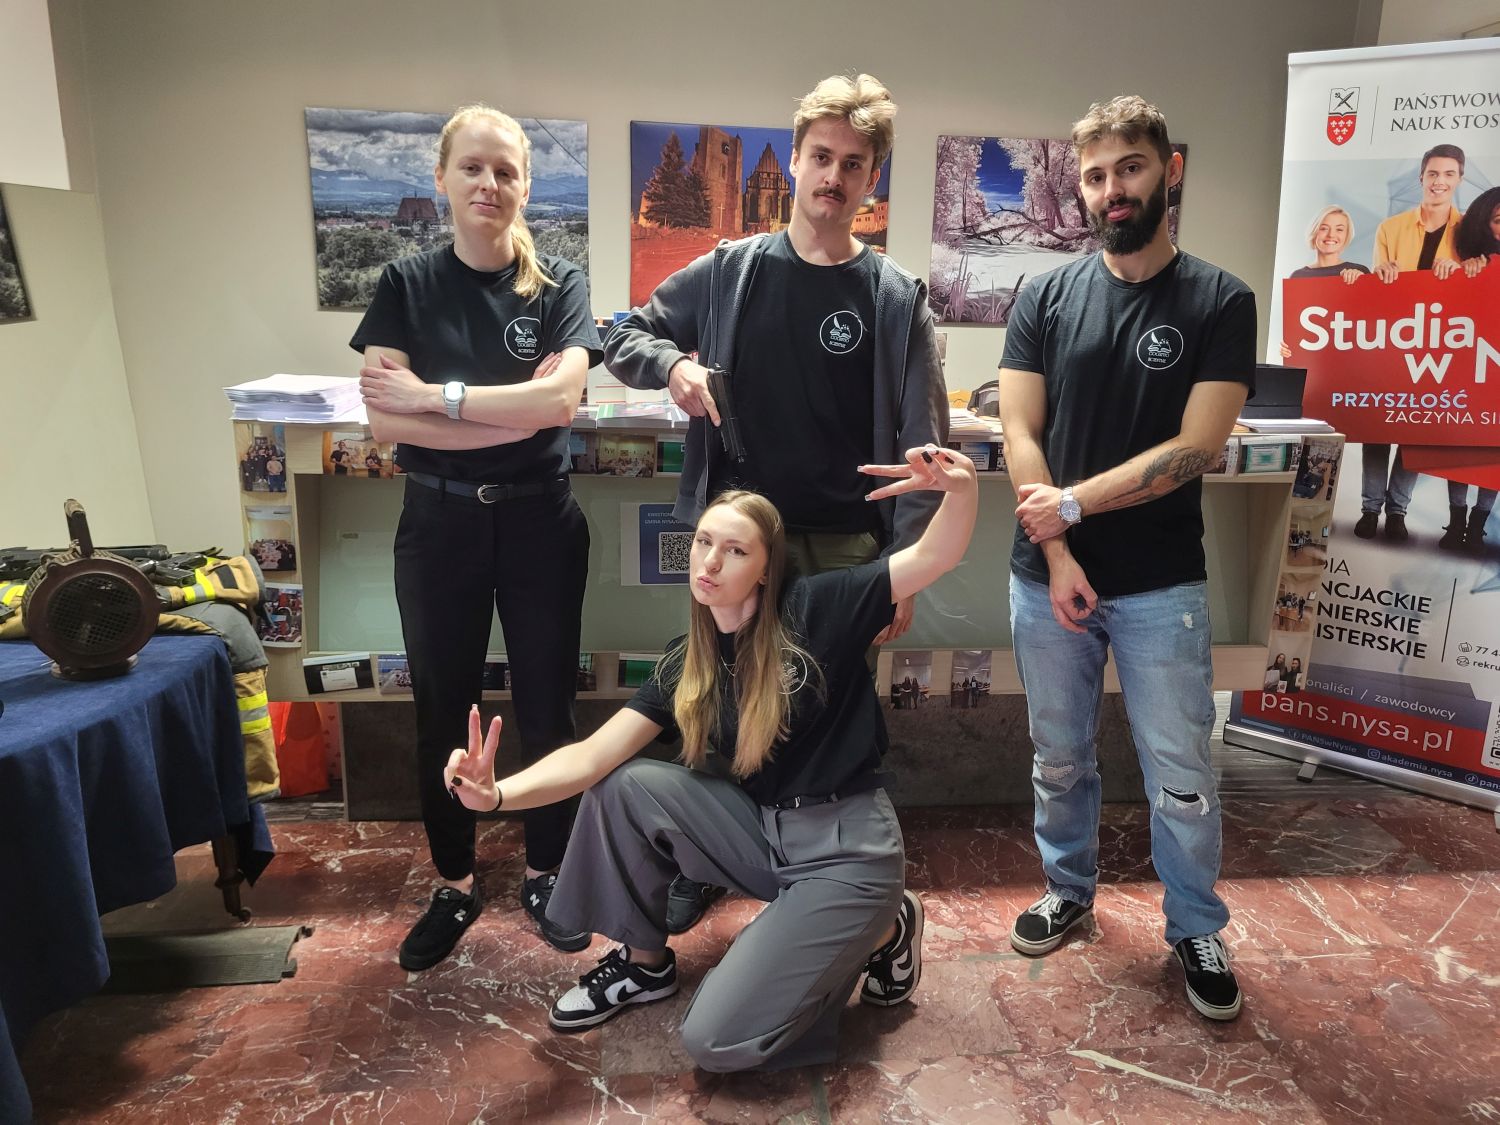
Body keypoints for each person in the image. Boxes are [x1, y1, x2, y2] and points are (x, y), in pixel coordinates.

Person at [445, 444, 979, 1071]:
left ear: (766, 569)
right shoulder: (688, 661)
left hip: (846, 848)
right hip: (764, 835)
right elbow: (590, 758)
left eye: (736, 550)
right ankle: (645, 966)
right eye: (703, 542)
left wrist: (962, 489)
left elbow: (933, 557)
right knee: (623, 786)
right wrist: (496, 795)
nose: (711, 561)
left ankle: (883, 926)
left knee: (714, 1043)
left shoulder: (818, 606)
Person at [604, 72, 947, 935]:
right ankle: (709, 856)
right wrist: (672, 368)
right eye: (821, 156)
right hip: (739, 542)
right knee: (714, 703)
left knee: (820, 718)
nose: (834, 176)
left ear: (872, 179)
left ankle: (830, 877)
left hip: (846, 550)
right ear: (793, 160)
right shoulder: (730, 272)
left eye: (854, 163)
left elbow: (924, 448)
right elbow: (623, 334)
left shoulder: (894, 298)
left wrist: (904, 569)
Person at [997, 95, 1255, 1022]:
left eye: (1131, 168)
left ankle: (1195, 924)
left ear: (1169, 170)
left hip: (1159, 582)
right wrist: (1061, 547)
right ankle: (1068, 888)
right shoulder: (1045, 296)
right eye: (1096, 174)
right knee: (1060, 756)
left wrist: (1074, 501)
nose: (1113, 189)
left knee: (1181, 771)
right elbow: (1019, 430)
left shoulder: (1220, 300)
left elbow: (1198, 445)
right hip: (1048, 577)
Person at [352, 103, 603, 969]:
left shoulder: (559, 283)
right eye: (472, 167)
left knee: (547, 704)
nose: (489, 184)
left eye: (505, 170)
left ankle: (545, 870)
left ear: (526, 185)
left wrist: (437, 398)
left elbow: (559, 404)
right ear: (442, 178)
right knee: (442, 705)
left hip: (541, 519)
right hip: (439, 521)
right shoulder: (406, 283)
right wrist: (511, 411)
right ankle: (455, 880)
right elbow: (386, 426)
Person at [1359, 145, 1468, 542]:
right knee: (1377, 427)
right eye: (1433, 173)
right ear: (1421, 177)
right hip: (1393, 339)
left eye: (1449, 174)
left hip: (1442, 345)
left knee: (1416, 429)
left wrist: (1461, 270)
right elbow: (1377, 291)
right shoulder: (1390, 228)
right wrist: (1381, 273)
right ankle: (1370, 509)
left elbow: (1478, 289)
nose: (1440, 181)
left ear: (1459, 179)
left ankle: (1397, 512)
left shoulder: (1469, 231)